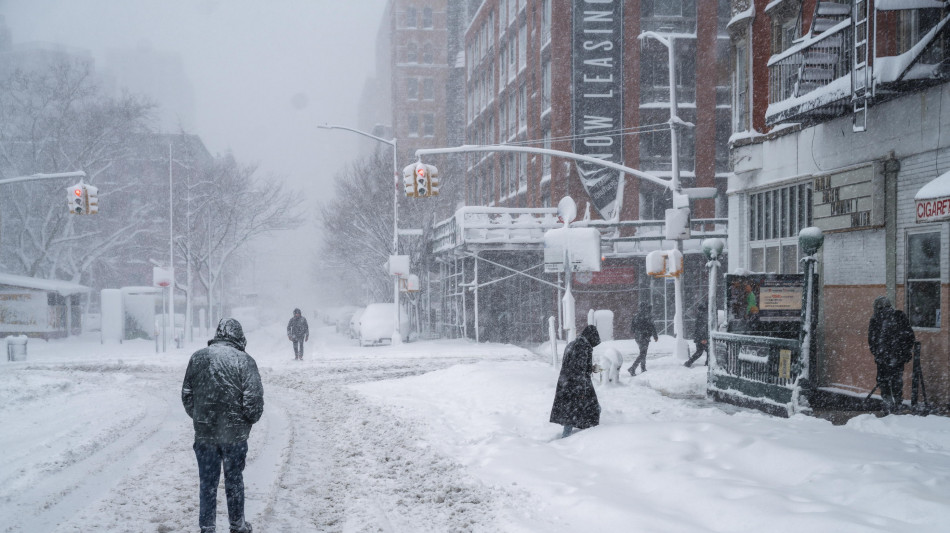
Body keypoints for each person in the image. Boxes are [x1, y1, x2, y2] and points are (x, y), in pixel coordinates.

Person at [182, 318, 263, 533]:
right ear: (239, 336)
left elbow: (187, 395)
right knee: (234, 481)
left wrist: (202, 418)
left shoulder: (198, 357)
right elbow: (253, 403)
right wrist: (243, 422)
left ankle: (207, 527)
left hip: (205, 434)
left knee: (207, 482)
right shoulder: (245, 361)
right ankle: (237, 525)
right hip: (234, 436)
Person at [549, 324, 601, 438]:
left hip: (567, 383)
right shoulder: (582, 347)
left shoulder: (574, 344)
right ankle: (585, 437)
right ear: (591, 337)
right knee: (592, 409)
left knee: (571, 412)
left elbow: (575, 366)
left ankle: (574, 436)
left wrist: (592, 368)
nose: (593, 345)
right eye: (594, 342)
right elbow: (579, 371)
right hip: (577, 385)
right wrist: (581, 390)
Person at [867, 296, 915, 413]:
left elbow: (872, 340)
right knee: (897, 380)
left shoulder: (876, 318)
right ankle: (898, 403)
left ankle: (888, 404)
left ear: (877, 307)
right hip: (898, 357)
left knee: (883, 381)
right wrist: (905, 352)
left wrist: (878, 353)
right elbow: (910, 336)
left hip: (883, 357)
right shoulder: (900, 315)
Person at [629, 305, 658, 376]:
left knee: (642, 352)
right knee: (643, 353)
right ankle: (633, 368)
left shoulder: (636, 316)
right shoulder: (648, 316)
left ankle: (643, 368)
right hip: (645, 337)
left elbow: (632, 329)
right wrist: (655, 336)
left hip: (638, 337)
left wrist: (637, 332)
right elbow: (652, 327)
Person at [684, 303, 709, 368]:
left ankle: (689, 362)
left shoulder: (699, 316)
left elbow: (698, 328)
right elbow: (702, 328)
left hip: (699, 337)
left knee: (700, 352)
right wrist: (703, 338)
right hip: (702, 337)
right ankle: (707, 363)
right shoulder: (703, 317)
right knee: (707, 351)